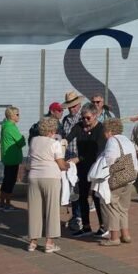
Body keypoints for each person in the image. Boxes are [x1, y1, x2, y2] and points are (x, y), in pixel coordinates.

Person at [25, 116, 77, 253]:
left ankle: (32, 242)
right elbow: (60, 164)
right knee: (52, 209)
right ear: (52, 130)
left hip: (34, 176)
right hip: (50, 177)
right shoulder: (55, 143)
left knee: (34, 210)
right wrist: (69, 165)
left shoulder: (34, 141)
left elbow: (29, 161)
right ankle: (49, 242)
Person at [66, 102, 106, 237]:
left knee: (96, 196)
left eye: (88, 118)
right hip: (82, 168)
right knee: (82, 196)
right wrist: (60, 143)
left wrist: (79, 158)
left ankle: (103, 226)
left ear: (95, 116)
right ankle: (86, 226)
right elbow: (68, 138)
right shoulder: (79, 127)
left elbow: (97, 151)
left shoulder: (101, 130)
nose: (85, 120)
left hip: (96, 167)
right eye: (83, 118)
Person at [99, 118, 138, 246]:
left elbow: (110, 158)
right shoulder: (127, 140)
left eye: (104, 131)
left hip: (117, 176)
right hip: (130, 175)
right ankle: (125, 235)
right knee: (123, 207)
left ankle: (114, 237)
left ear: (110, 131)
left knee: (112, 205)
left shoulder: (112, 140)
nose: (104, 134)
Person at [60, 91, 85, 229]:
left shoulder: (83, 119)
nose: (72, 109)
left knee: (78, 188)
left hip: (80, 158)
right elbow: (64, 139)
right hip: (69, 158)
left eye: (74, 106)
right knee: (72, 188)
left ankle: (79, 216)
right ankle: (76, 215)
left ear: (79, 105)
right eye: (69, 106)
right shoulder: (65, 120)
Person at [0, 106, 26, 211]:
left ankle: (2, 203)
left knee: (6, 180)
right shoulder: (11, 127)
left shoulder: (5, 126)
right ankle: (7, 204)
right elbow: (21, 142)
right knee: (10, 181)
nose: (19, 116)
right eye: (17, 114)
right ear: (12, 116)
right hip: (12, 158)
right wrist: (23, 138)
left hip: (7, 158)